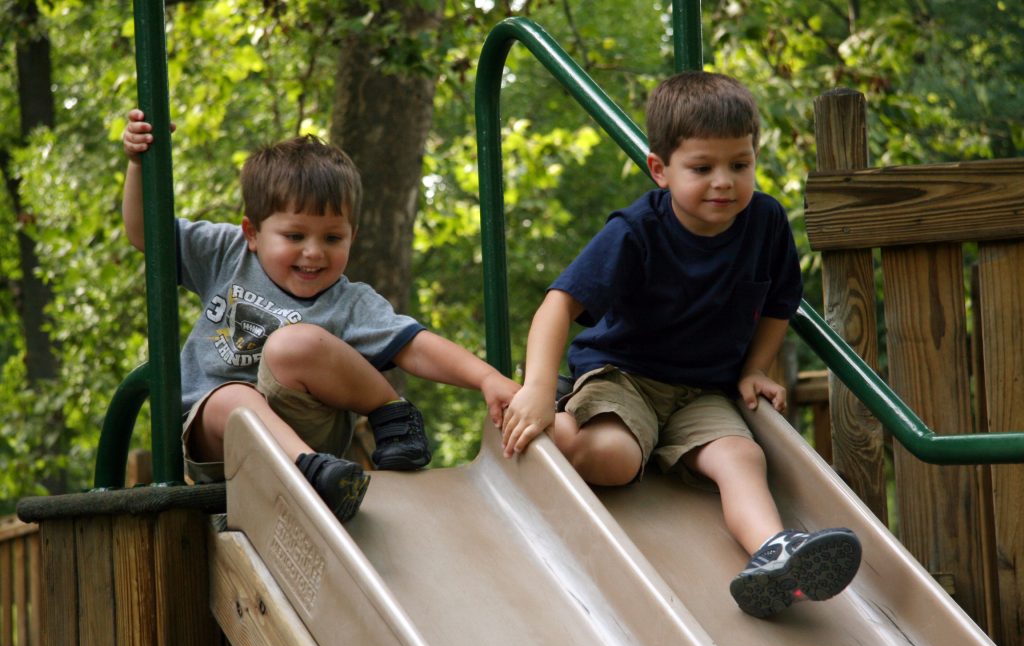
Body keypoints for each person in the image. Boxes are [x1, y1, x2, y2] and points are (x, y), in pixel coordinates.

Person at [499, 72, 861, 618]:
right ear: (660, 170)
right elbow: (558, 304)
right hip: (625, 376)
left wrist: (756, 368)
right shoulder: (636, 232)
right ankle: (543, 424)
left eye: (740, 165)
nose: (724, 182)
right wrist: (536, 386)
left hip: (702, 390)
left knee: (742, 455)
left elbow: (780, 302)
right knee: (616, 459)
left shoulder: (763, 223)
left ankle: (773, 552)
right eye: (702, 168)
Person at [122, 109, 518, 522]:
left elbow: (415, 347)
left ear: (353, 237)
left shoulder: (348, 301)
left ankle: (392, 416)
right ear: (252, 233)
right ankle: (310, 473)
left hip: (309, 431)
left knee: (297, 344)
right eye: (295, 236)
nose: (314, 252)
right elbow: (144, 232)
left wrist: (487, 378)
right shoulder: (227, 254)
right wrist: (138, 164)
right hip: (216, 438)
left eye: (332, 238)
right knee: (235, 399)